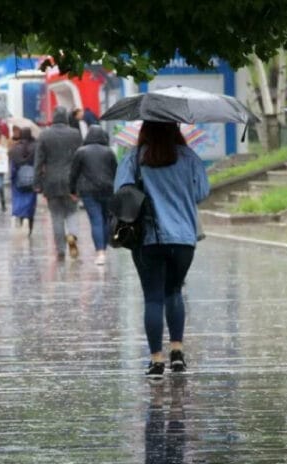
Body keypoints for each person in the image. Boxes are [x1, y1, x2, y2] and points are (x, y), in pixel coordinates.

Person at [114, 121, 210, 379]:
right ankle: (177, 353)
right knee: (174, 291)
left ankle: (156, 360)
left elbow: (121, 193)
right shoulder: (189, 157)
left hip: (148, 238)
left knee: (153, 298)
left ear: (144, 130)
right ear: (174, 129)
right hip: (183, 239)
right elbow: (202, 192)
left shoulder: (134, 158)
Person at [35, 106, 84, 259]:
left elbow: (38, 162)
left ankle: (61, 250)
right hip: (71, 181)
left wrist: (37, 183)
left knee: (56, 216)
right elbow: (80, 158)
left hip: (51, 182)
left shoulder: (44, 135)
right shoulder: (75, 134)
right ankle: (72, 235)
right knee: (72, 211)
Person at [69, 125, 118, 265]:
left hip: (88, 191)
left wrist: (72, 190)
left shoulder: (81, 151)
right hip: (108, 189)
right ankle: (104, 248)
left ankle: (100, 252)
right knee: (106, 219)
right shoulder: (109, 152)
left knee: (96, 220)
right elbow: (115, 171)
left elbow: (74, 173)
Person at [9, 127, 38, 236]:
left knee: (19, 200)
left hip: (18, 180)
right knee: (30, 202)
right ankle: (29, 223)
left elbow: (12, 167)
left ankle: (20, 218)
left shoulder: (15, 149)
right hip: (32, 179)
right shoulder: (36, 147)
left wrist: (12, 178)